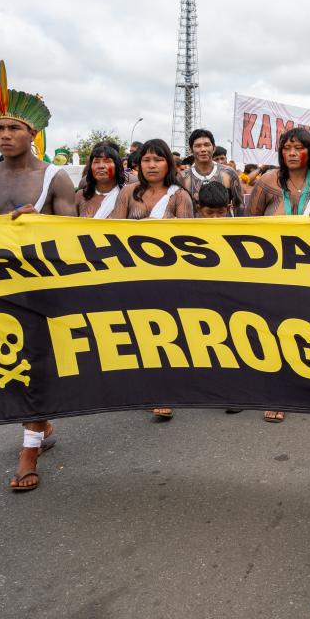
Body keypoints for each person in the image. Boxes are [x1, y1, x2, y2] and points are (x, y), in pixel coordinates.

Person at [0, 57, 76, 491]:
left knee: (37, 364)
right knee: (11, 363)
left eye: (14, 129)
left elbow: (74, 236)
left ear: (33, 134)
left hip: (45, 289)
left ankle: (28, 448)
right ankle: (41, 428)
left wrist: (43, 223)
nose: (6, 136)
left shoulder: (56, 178)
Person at [247, 127, 310, 422]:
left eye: (298, 147)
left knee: (308, 326)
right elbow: (248, 223)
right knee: (275, 326)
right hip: (272, 269)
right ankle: (279, 392)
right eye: (287, 148)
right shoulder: (268, 182)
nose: (292, 153)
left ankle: (308, 384)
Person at [109, 139, 194, 420]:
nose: (152, 165)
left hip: (169, 276)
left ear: (168, 163)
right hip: (132, 274)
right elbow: (110, 230)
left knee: (166, 333)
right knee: (138, 332)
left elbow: (190, 242)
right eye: (146, 160)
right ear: (139, 164)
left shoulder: (179, 196)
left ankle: (166, 393)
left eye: (158, 159)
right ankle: (143, 386)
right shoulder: (128, 193)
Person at [180, 129, 243, 215]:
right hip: (194, 228)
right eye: (198, 146)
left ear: (214, 148)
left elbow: (239, 206)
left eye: (207, 145)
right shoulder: (182, 177)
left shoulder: (229, 174)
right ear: (191, 150)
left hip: (224, 227)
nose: (203, 149)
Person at [75, 141, 126, 218]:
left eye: (107, 161)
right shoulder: (80, 196)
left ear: (117, 166)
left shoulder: (128, 195)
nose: (101, 166)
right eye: (96, 162)